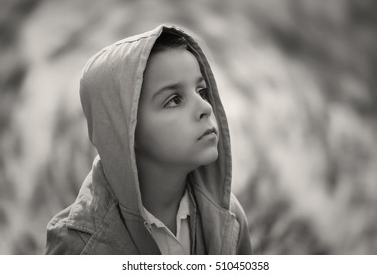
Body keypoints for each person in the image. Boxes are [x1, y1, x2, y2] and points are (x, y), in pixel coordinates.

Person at [45, 24, 252, 255]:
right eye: (174, 99)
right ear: (124, 129)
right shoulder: (76, 248)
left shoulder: (228, 215)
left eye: (202, 91)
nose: (205, 107)